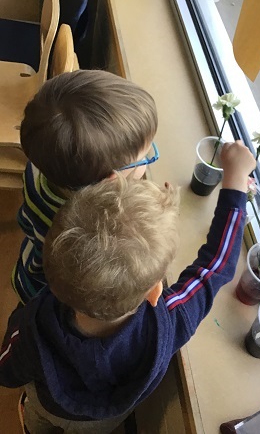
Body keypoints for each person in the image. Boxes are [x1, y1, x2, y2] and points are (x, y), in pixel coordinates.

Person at [0, 141, 256, 433]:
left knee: (38, 421)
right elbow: (214, 268)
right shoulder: (169, 323)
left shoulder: (34, 325)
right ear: (155, 291)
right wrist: (235, 186)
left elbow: (8, 366)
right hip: (102, 420)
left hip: (50, 406)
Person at [12, 69, 158, 304]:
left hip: (29, 268)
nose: (150, 156)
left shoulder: (39, 166)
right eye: (147, 156)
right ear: (113, 181)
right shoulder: (95, 226)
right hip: (47, 297)